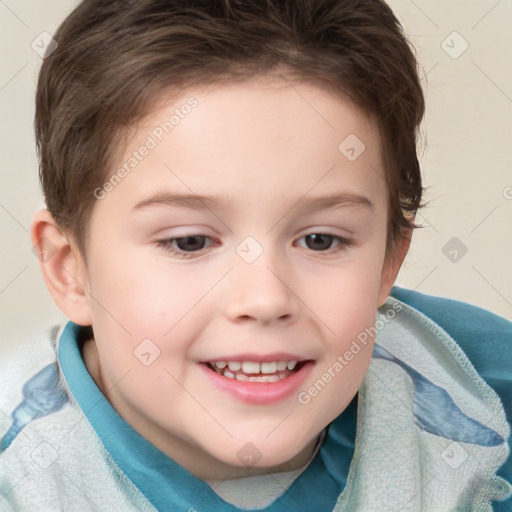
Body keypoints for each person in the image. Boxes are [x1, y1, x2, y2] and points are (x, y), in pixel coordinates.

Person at [0, 0, 510, 510]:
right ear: (70, 269)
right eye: (189, 242)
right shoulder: (23, 480)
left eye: (320, 240)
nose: (265, 299)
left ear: (387, 263)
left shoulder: (483, 394)